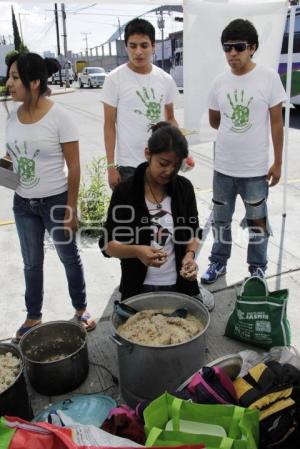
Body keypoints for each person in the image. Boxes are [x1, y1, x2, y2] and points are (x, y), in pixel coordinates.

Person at [5, 52, 96, 341]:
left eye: (15, 77)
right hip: (23, 203)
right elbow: (15, 155)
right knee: (31, 262)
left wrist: (71, 208)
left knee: (68, 257)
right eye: (9, 76)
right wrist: (6, 163)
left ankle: (80, 308)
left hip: (56, 201)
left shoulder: (60, 117)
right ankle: (33, 315)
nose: (9, 83)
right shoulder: (12, 117)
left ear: (34, 82)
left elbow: (75, 165)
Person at [201, 19, 286, 284]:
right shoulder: (219, 82)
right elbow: (215, 120)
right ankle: (218, 263)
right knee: (221, 222)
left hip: (255, 170)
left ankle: (257, 268)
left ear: (253, 48)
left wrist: (278, 162)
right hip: (223, 168)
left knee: (257, 222)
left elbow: (276, 123)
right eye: (227, 48)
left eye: (239, 47)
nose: (232, 53)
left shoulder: (269, 78)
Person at [99, 122, 214, 311]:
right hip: (138, 288)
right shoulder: (125, 192)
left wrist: (190, 255)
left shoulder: (184, 189)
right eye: (163, 163)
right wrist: (138, 251)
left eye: (176, 166)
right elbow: (107, 245)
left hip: (178, 287)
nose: (169, 171)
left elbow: (193, 231)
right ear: (147, 153)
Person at [102, 18, 179, 190]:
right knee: (131, 216)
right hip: (128, 167)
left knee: (161, 215)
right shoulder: (114, 79)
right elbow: (109, 125)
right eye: (133, 45)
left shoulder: (165, 79)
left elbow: (171, 119)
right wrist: (110, 167)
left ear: (153, 46)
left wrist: (180, 151)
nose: (138, 52)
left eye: (144, 45)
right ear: (126, 47)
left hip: (160, 163)